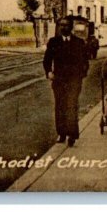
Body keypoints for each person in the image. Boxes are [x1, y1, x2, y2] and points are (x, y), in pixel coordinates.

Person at [43, 17, 89, 147]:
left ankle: (72, 134)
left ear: (71, 27)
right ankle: (62, 133)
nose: (64, 28)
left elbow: (85, 62)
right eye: (61, 25)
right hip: (59, 80)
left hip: (74, 80)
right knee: (60, 106)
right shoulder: (53, 42)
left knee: (72, 105)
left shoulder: (79, 42)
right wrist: (49, 72)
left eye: (66, 25)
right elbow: (47, 60)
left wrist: (81, 75)